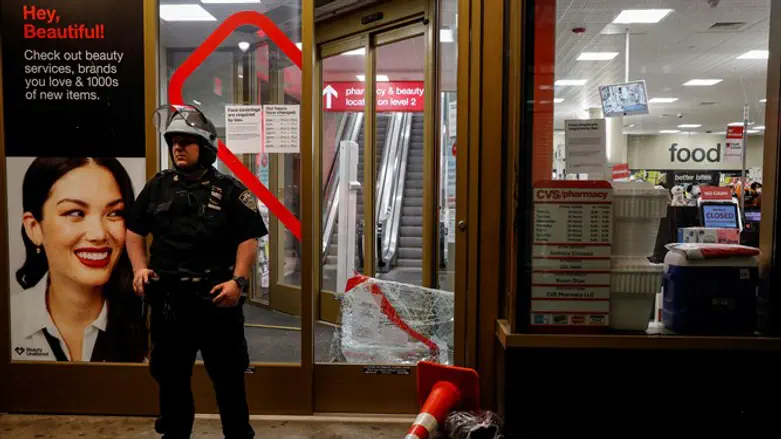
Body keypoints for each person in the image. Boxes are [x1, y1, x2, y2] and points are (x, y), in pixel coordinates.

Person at [126, 104, 267, 439]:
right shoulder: (158, 187)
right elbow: (134, 231)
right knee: (171, 380)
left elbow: (248, 239)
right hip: (171, 303)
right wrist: (139, 269)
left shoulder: (232, 190)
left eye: (186, 141)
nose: (177, 147)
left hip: (218, 301)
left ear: (205, 148)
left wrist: (239, 281)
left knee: (229, 380)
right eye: (173, 141)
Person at [12, 157, 146, 363]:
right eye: (75, 213)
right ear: (34, 228)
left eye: (114, 213)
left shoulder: (149, 323)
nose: (99, 234)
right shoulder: (10, 319)